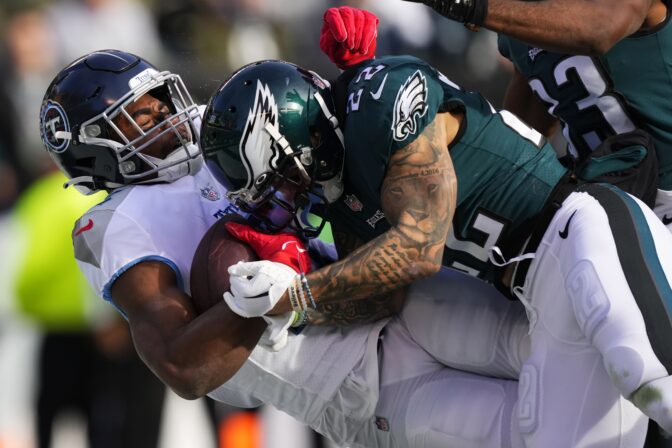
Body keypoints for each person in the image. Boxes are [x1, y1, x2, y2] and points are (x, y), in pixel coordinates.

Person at [201, 52, 672, 447]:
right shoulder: (338, 195)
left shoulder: (378, 100)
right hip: (537, 295)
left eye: (281, 177)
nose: (287, 196)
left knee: (650, 375)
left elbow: (418, 248)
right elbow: (384, 298)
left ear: (306, 135)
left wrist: (300, 292)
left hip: (581, 229)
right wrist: (289, 311)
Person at [401, 0, 672, 236]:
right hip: (611, 206)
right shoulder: (522, 23)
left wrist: (473, 7)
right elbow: (521, 138)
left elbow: (600, 30)